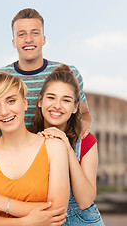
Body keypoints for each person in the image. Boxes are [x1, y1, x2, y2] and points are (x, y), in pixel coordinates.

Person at [0, 72, 70, 225]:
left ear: (25, 102)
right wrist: (26, 222)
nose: (4, 111)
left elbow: (57, 212)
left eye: (11, 101)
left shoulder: (54, 147)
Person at [0, 8, 92, 139]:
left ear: (43, 39)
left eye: (35, 33)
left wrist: (83, 125)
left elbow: (85, 113)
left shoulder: (69, 74)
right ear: (14, 42)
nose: (28, 39)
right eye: (21, 34)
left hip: (59, 152)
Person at [32, 65, 105, 225]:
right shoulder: (29, 139)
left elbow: (85, 201)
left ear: (75, 107)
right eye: (51, 98)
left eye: (66, 100)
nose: (57, 106)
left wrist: (66, 146)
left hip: (81, 221)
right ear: (40, 101)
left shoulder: (86, 141)